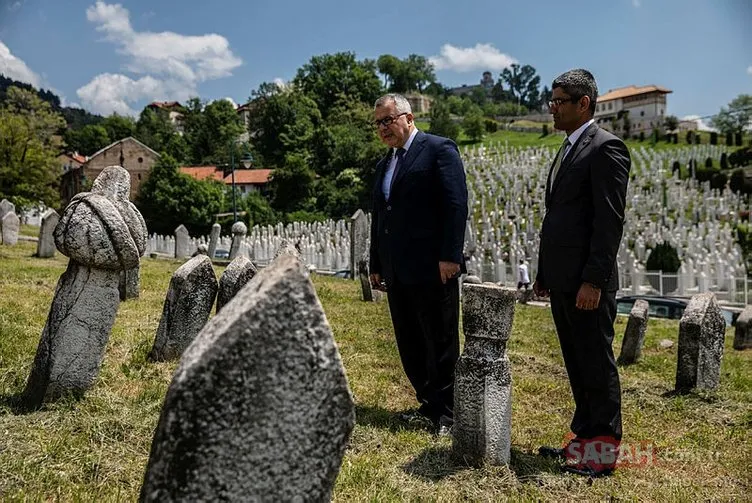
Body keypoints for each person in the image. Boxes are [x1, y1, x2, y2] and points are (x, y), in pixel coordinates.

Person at [533, 69, 631, 477]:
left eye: (558, 101)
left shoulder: (606, 148)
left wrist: (593, 281)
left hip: (587, 283)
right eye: (552, 101)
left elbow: (608, 224)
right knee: (576, 361)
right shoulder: (569, 147)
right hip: (563, 279)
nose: (552, 108)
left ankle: (603, 452)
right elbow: (559, 218)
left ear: (583, 104)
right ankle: (584, 438)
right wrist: (544, 273)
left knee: (595, 361)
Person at [368, 93, 468, 436]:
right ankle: (428, 403)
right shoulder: (385, 163)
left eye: (387, 120)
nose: (382, 128)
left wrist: (451, 256)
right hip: (398, 269)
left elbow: (455, 205)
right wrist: (376, 262)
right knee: (409, 341)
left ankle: (448, 413)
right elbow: (380, 216)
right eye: (377, 123)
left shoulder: (439, 149)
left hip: (432, 266)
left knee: (439, 340)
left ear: (408, 118)